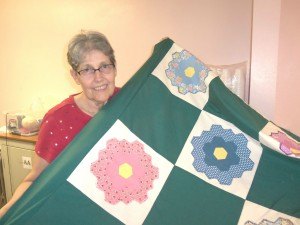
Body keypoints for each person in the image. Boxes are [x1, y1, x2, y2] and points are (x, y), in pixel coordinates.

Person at [0, 30, 120, 218]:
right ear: (75, 76)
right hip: (79, 214)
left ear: (114, 68)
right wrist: (8, 212)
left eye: (105, 66)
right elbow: (35, 181)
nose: (99, 78)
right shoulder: (58, 120)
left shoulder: (129, 103)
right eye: (87, 69)